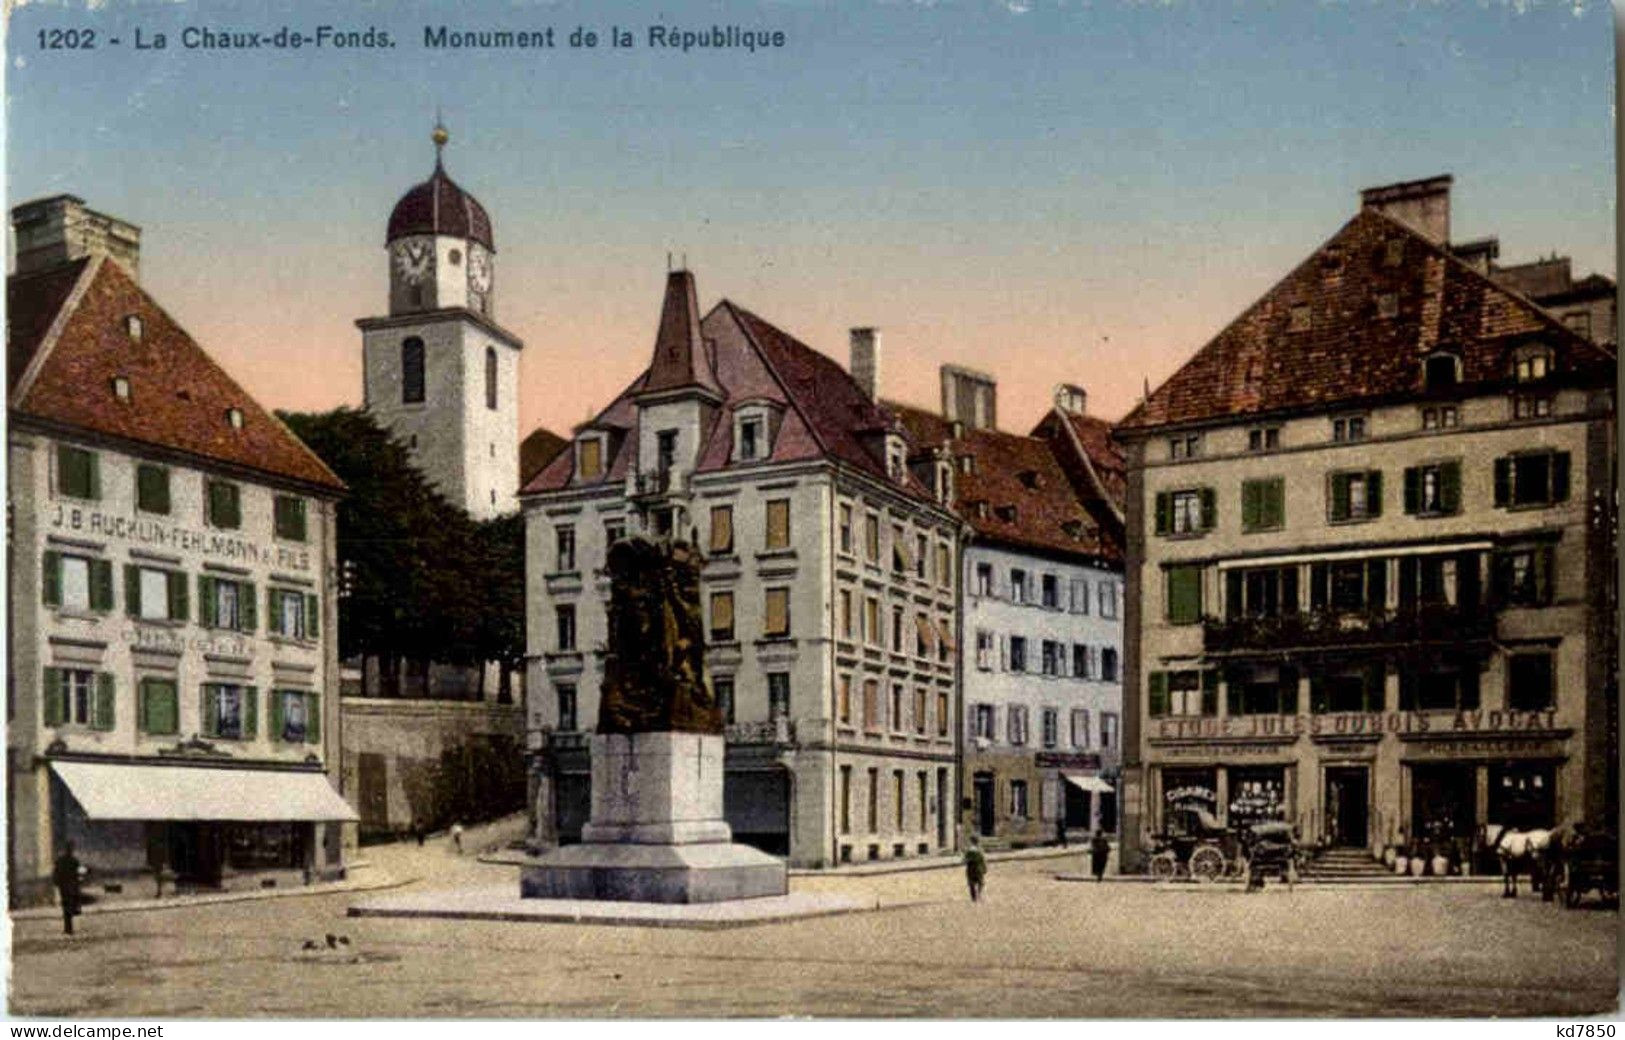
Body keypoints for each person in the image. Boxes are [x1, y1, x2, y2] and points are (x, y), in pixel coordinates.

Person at [53, 841, 82, 936]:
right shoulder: (74, 861)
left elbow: (56, 873)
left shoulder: (60, 861)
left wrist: (57, 883)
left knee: (66, 907)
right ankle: (69, 928)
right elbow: (78, 874)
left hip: (64, 887)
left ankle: (68, 928)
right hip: (71, 886)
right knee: (70, 906)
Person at [964, 836, 987, 902]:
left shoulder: (969, 850)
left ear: (971, 841)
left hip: (970, 868)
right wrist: (984, 868)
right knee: (980, 882)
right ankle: (979, 894)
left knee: (971, 883)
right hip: (978, 867)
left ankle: (974, 897)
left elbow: (965, 860)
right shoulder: (980, 850)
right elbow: (983, 860)